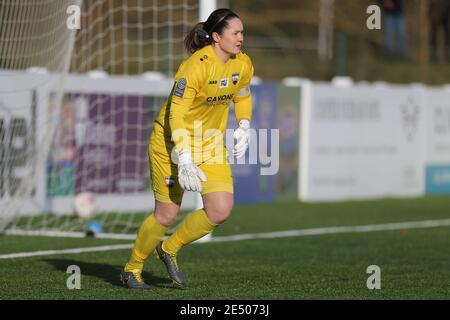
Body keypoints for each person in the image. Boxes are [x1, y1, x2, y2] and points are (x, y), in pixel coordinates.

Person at [120, 8, 254, 289]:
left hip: (210, 145)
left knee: (220, 210)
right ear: (217, 37)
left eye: (242, 32)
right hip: (170, 142)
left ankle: (169, 248)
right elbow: (176, 114)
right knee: (166, 214)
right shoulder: (195, 66)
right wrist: (184, 155)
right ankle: (132, 269)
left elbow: (242, 95)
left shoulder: (242, 63)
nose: (241, 38)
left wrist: (244, 125)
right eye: (236, 32)